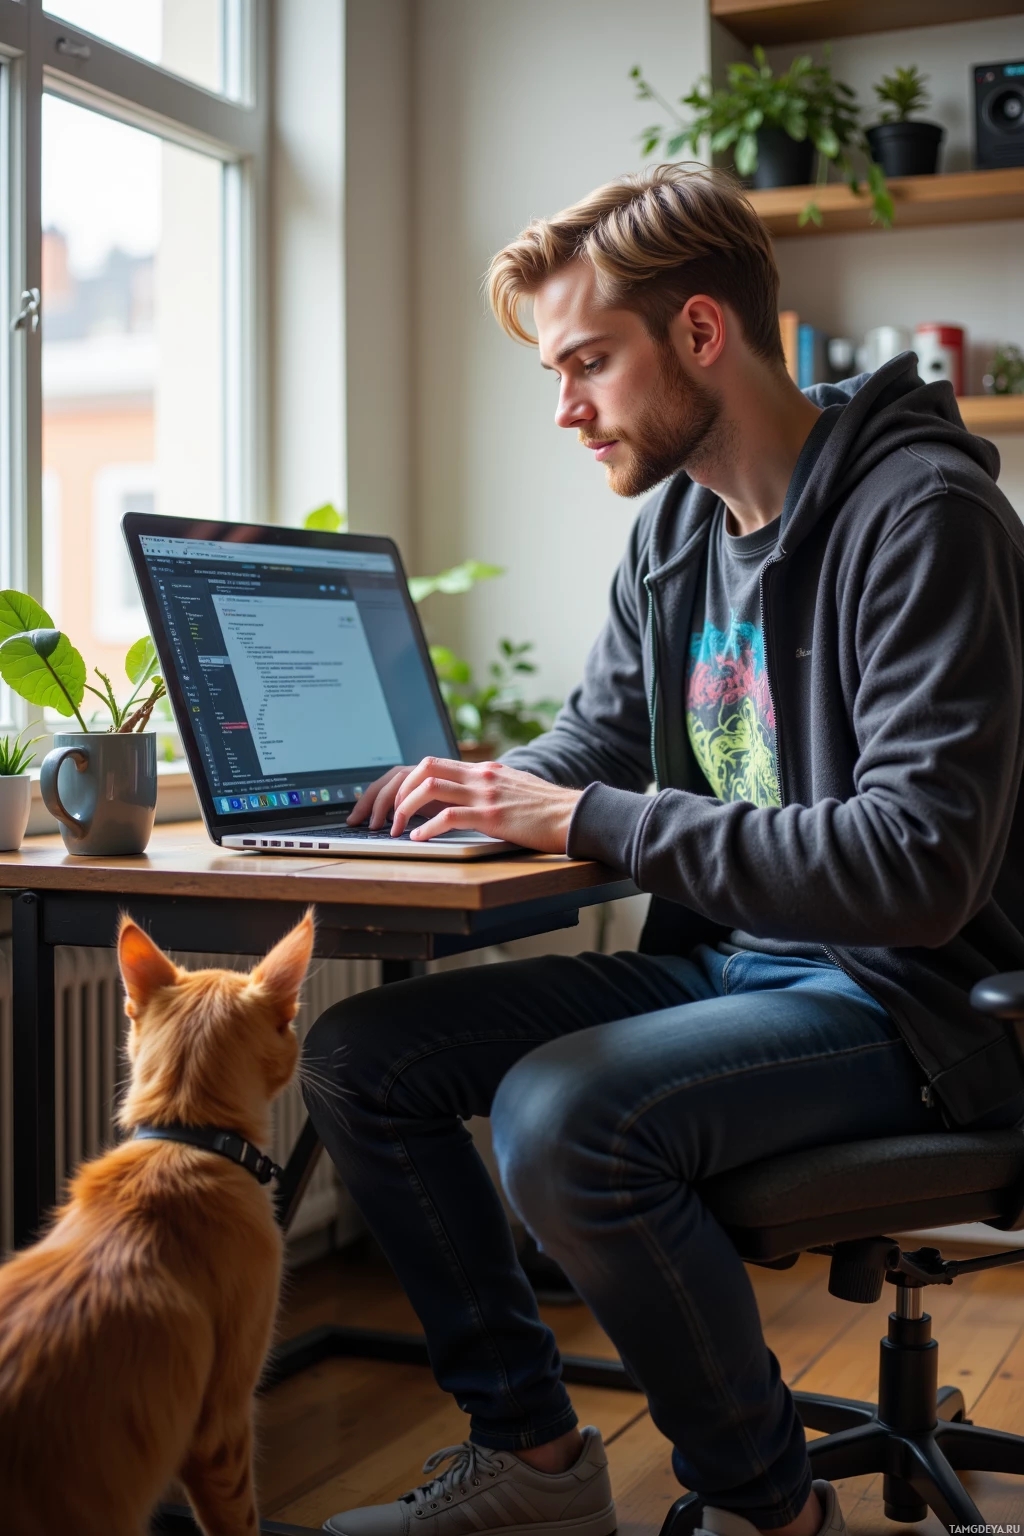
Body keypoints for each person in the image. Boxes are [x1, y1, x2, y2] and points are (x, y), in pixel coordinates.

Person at [303, 164, 1024, 1536]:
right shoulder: (679, 536)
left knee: (564, 1116)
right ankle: (537, 1459)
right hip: (746, 972)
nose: (566, 406)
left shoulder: (924, 520)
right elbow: (598, 744)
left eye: (587, 360)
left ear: (701, 335)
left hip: (916, 1004)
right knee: (361, 1058)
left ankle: (770, 1511)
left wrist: (579, 816)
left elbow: (918, 866)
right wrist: (481, 788)